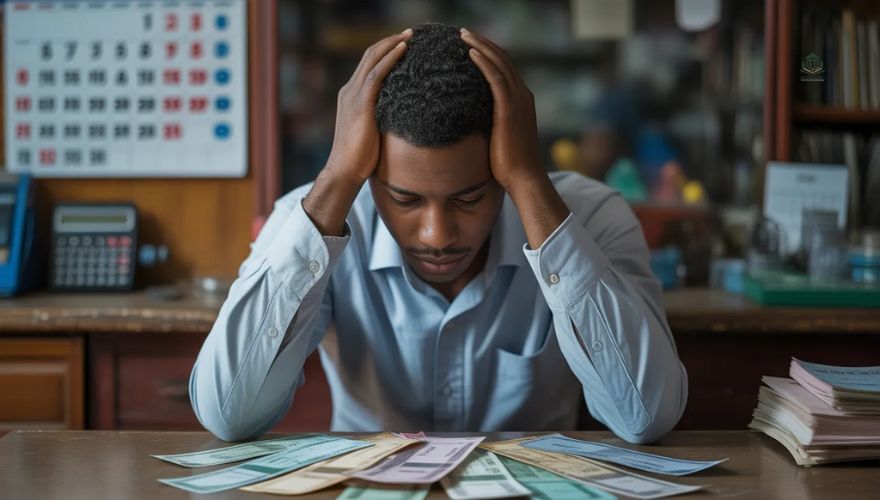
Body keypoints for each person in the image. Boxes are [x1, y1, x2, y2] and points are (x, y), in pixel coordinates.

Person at [189, 22, 687, 443]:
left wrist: (530, 183)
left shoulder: (590, 217)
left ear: (506, 167)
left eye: (469, 198)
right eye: (405, 199)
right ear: (368, 170)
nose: (437, 235)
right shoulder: (316, 218)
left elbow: (644, 417)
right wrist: (338, 176)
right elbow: (226, 414)